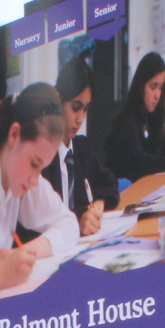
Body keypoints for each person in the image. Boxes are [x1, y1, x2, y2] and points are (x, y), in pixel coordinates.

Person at [0, 82, 78, 300]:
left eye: (42, 167)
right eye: (34, 163)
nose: (35, 180)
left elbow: (69, 225)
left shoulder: (21, 179)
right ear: (14, 135)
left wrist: (25, 254)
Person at [43, 56, 120, 237]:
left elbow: (108, 180)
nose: (81, 118)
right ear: (58, 102)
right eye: (75, 107)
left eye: (85, 109)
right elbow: (45, 218)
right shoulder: (43, 156)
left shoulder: (81, 146)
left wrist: (99, 203)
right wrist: (78, 220)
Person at [103, 51, 165, 182]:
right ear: (141, 86)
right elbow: (139, 161)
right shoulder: (126, 119)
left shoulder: (152, 117)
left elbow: (164, 142)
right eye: (153, 87)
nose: (157, 95)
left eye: (161, 88)